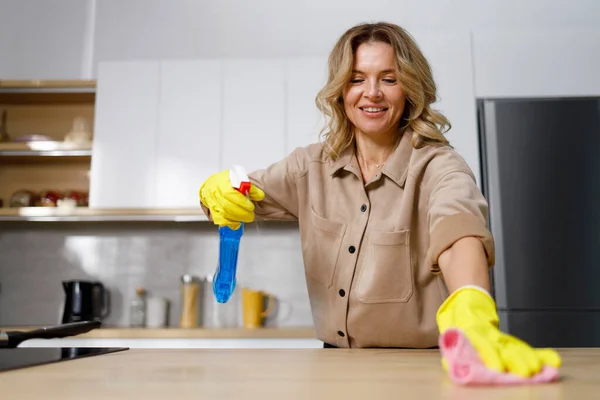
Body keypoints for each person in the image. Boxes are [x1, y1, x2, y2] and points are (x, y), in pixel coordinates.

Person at [199, 22, 560, 377]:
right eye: (357, 79)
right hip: (333, 366)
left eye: (389, 79)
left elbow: (459, 230)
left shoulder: (438, 166)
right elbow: (241, 194)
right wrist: (214, 192)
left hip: (419, 369)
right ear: (341, 91)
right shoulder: (310, 167)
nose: (372, 92)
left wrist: (471, 302)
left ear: (410, 90)